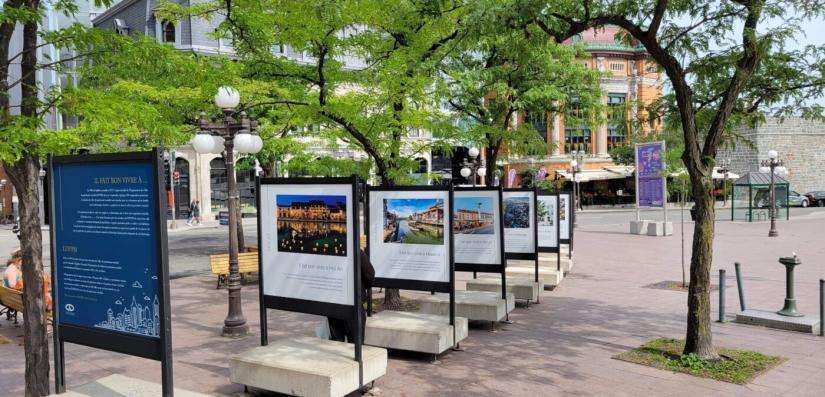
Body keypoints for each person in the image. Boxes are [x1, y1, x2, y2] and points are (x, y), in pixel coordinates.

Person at [328, 249, 374, 343]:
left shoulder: (329, 251)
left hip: (333, 303)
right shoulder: (357, 252)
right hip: (354, 304)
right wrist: (363, 287)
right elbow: (369, 274)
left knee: (336, 341)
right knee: (356, 343)